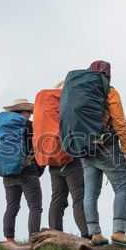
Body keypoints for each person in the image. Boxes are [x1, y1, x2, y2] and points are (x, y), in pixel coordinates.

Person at [80, 61, 126, 247]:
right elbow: (119, 122)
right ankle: (119, 232)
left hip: (85, 147)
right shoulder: (109, 92)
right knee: (123, 187)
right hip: (107, 147)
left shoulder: (80, 92)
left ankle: (95, 233)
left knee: (90, 193)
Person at [44, 81, 89, 239]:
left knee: (57, 197)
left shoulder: (48, 109)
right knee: (79, 197)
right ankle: (86, 234)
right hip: (71, 158)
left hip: (53, 159)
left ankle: (55, 234)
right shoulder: (67, 107)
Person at [0, 98, 44, 242]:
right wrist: (39, 168)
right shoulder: (31, 126)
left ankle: (9, 239)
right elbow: (39, 147)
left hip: (8, 172)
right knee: (35, 207)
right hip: (27, 170)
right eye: (29, 112)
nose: (30, 115)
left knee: (12, 206)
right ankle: (34, 238)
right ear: (23, 111)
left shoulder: (5, 127)